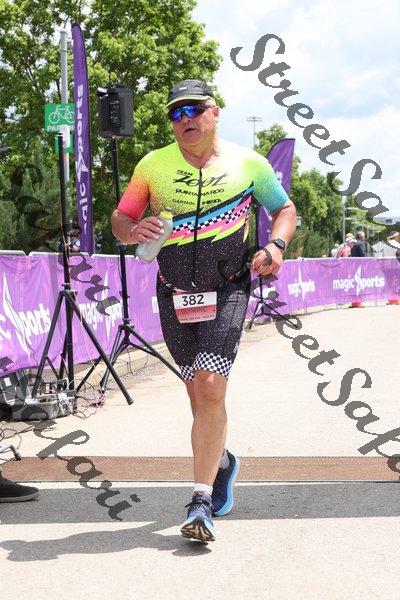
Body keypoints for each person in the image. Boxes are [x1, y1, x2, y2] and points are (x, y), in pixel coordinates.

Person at [111, 79, 296, 542]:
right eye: (176, 113)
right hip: (173, 292)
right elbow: (120, 219)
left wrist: (276, 245)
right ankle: (224, 462)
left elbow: (284, 209)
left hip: (228, 287)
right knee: (198, 393)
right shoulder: (153, 165)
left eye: (193, 109)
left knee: (211, 385)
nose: (185, 119)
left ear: (215, 112)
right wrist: (132, 230)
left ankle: (200, 501)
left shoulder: (249, 164)